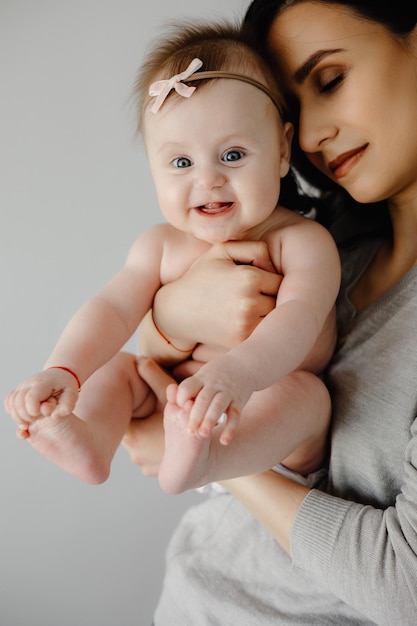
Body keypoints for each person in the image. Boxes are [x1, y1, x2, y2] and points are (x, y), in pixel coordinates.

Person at [121, 2, 417, 624]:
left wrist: (222, 468)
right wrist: (174, 315)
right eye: (293, 110)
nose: (311, 137)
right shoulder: (337, 250)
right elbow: (155, 346)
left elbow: (404, 587)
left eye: (331, 80)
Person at [4, 20, 340, 490]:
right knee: (120, 369)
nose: (207, 180)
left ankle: (207, 464)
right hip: (173, 412)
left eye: (233, 154)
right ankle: (91, 441)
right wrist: (65, 369)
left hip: (259, 419)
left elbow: (300, 319)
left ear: (282, 150)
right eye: (181, 162)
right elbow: (112, 308)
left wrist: (237, 375)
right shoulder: (160, 245)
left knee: (308, 397)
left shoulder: (301, 243)